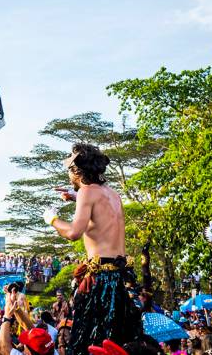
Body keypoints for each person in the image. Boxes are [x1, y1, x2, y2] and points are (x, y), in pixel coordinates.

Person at [43, 143, 141, 355]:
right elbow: (101, 213)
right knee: (118, 340)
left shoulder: (87, 192)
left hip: (100, 281)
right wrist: (75, 196)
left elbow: (73, 233)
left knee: (91, 341)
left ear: (76, 171)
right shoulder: (113, 194)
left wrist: (52, 219)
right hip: (121, 277)